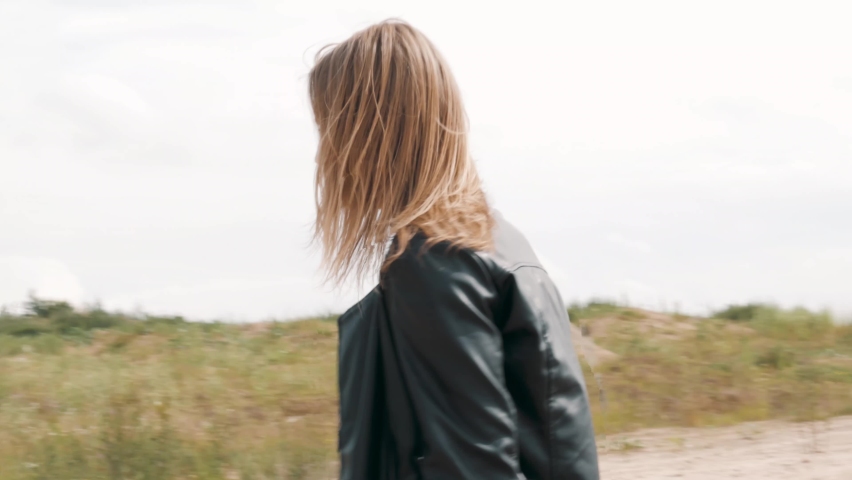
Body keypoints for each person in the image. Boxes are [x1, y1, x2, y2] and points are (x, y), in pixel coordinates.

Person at [308, 19, 599, 480]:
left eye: (330, 126)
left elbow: (474, 467)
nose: (326, 153)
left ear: (367, 137)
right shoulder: (497, 239)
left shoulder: (429, 264)